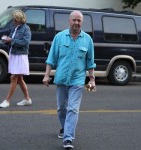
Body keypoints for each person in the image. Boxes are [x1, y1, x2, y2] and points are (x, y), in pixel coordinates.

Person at [42, 10, 96, 149]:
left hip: (77, 80)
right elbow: (51, 58)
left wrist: (92, 80)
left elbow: (90, 62)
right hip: (61, 79)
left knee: (73, 109)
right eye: (74, 20)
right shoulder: (59, 37)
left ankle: (68, 139)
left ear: (82, 22)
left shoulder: (87, 40)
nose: (76, 23)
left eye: (79, 20)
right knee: (61, 109)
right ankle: (64, 127)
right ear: (69, 21)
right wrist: (47, 75)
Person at [0, 10, 32, 108]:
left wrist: (12, 40)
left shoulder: (26, 29)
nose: (13, 21)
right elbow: (10, 39)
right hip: (13, 55)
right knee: (20, 79)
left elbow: (25, 42)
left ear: (20, 20)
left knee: (13, 78)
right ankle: (27, 99)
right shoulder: (14, 28)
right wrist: (5, 40)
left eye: (15, 19)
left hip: (20, 56)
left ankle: (7, 100)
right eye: (13, 19)